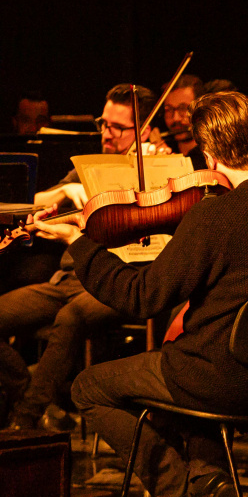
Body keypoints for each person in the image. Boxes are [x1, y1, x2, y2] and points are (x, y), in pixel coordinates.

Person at [31, 91, 248, 497]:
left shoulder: (215, 214)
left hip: (221, 379)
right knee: (180, 375)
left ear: (209, 154)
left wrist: (81, 244)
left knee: (90, 387)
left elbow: (141, 297)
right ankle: (212, 488)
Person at [0, 84, 156, 430]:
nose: (107, 133)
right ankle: (38, 401)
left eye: (118, 127)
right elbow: (33, 199)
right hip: (69, 278)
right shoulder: (93, 165)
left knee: (71, 317)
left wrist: (151, 165)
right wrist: (66, 190)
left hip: (117, 282)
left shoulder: (158, 164)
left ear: (143, 131)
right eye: (104, 123)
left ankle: (24, 421)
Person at [161, 74, 208, 169]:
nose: (176, 118)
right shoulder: (164, 150)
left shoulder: (212, 157)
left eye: (183, 108)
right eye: (169, 109)